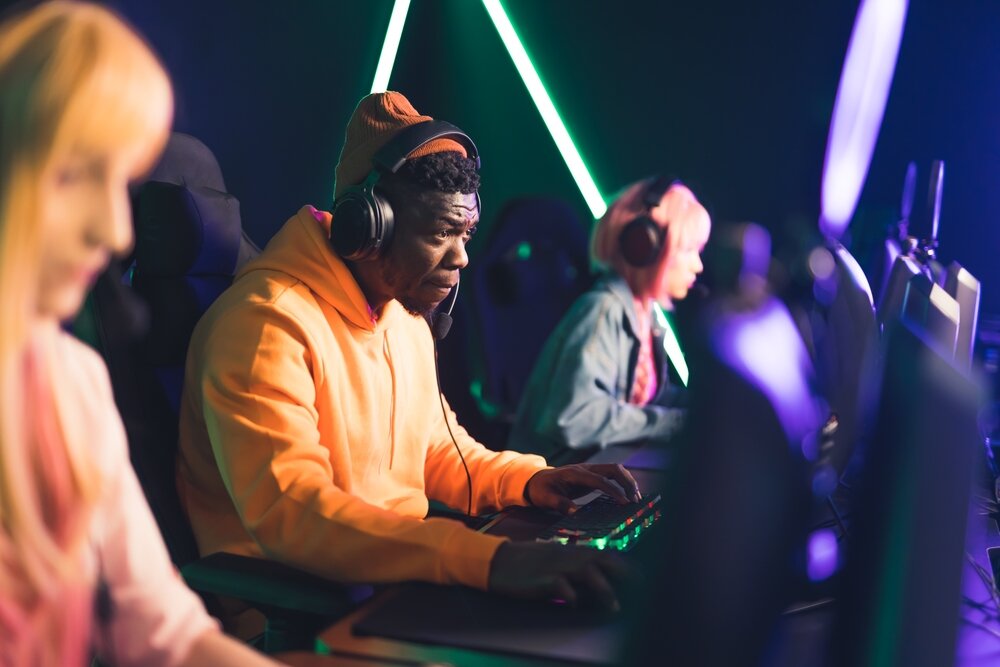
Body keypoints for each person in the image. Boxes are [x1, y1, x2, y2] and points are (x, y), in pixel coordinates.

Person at [176, 91, 639, 635]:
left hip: (392, 575)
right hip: (299, 609)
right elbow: (294, 513)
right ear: (367, 227)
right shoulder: (265, 326)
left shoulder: (402, 316)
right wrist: (488, 560)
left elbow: (437, 450)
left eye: (465, 234)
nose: (463, 256)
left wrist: (533, 480)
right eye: (442, 233)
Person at [0, 3, 278, 665]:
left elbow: (165, 632)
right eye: (75, 174)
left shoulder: (71, 377)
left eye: (121, 183)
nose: (117, 232)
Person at [509, 176, 711, 459]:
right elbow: (576, 418)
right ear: (644, 245)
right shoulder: (603, 312)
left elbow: (649, 400)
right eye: (689, 250)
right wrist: (676, 423)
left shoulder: (644, 314)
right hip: (554, 484)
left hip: (598, 469)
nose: (698, 265)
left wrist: (706, 408)